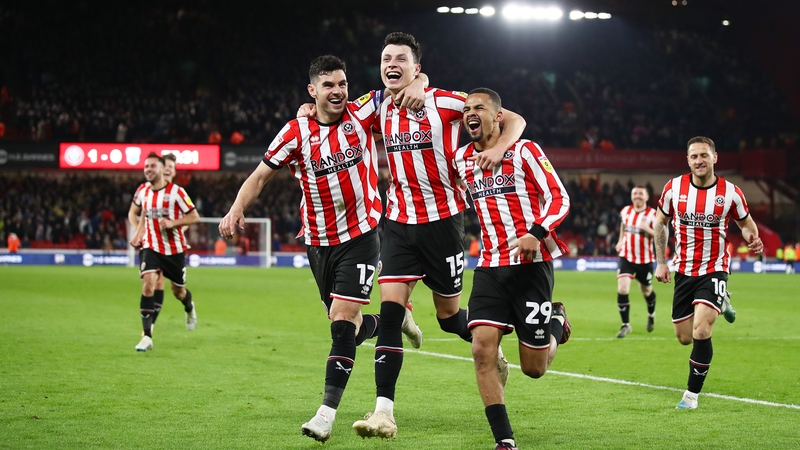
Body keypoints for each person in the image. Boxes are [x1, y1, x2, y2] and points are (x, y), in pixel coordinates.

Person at [218, 55, 424, 443]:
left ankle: (325, 414)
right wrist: (236, 208)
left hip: (362, 235)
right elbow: (261, 175)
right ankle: (396, 321)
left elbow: (407, 85)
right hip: (317, 242)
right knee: (347, 325)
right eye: (328, 85)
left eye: (343, 83)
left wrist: (419, 80)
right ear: (312, 91)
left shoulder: (362, 112)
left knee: (343, 324)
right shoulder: (295, 131)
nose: (338, 91)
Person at [351, 32, 527, 440]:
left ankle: (491, 343)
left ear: (417, 66)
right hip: (396, 223)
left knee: (449, 318)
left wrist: (499, 149)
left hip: (445, 224)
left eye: (401, 59)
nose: (391, 64)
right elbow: (337, 114)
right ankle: (383, 412)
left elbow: (513, 119)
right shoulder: (375, 105)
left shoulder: (446, 101)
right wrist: (311, 107)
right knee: (390, 313)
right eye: (385, 58)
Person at [455, 88, 571, 450]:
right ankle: (504, 440)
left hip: (531, 268)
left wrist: (536, 233)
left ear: (498, 116)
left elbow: (560, 198)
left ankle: (555, 323)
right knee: (481, 350)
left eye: (479, 108)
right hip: (490, 266)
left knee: (534, 369)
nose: (470, 114)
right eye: (466, 109)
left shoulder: (525, 151)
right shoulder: (460, 160)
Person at [654, 136, 763, 410]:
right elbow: (660, 223)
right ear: (688, 160)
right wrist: (661, 261)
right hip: (683, 270)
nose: (699, 161)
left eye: (704, 155)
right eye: (693, 157)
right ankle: (722, 299)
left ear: (715, 158)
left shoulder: (731, 193)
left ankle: (691, 396)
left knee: (702, 331)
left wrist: (753, 238)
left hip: (714, 268)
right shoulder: (673, 188)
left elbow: (746, 224)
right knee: (685, 337)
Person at [130, 152, 200, 352]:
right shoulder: (143, 191)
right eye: (146, 167)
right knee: (148, 284)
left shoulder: (177, 192)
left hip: (174, 250)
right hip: (151, 247)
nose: (148, 170)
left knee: (178, 292)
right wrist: (139, 234)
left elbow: (195, 217)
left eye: (153, 166)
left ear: (162, 169)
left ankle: (189, 306)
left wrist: (172, 223)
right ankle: (147, 336)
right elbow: (142, 214)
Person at [613, 186, 657, 338]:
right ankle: (626, 325)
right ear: (632, 197)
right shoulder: (625, 211)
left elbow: (661, 235)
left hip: (645, 260)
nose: (637, 196)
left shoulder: (653, 214)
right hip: (626, 256)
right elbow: (623, 225)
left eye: (640, 193)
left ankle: (651, 314)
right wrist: (620, 241)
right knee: (623, 289)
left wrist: (647, 229)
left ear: (646, 197)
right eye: (635, 194)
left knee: (646, 291)